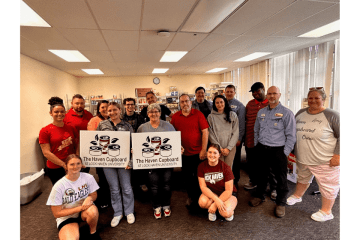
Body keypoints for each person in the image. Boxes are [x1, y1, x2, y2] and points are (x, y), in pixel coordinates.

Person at [286, 87, 340, 222]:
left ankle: (327, 212)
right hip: (303, 158)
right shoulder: (300, 113)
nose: (313, 100)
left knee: (328, 186)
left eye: (317, 98)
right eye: (310, 98)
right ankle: (297, 196)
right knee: (302, 178)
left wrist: (338, 155)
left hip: (324, 160)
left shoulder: (332, 115)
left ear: (323, 99)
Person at [249, 86, 296, 218]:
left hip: (278, 150)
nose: (271, 96)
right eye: (269, 93)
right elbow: (256, 130)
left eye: (274, 93)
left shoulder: (287, 113)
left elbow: (291, 135)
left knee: (281, 178)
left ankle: (281, 202)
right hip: (262, 148)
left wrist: (285, 153)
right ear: (266, 95)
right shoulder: (262, 112)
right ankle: (260, 195)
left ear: (279, 95)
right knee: (261, 175)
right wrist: (257, 144)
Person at [137, 103, 180, 219]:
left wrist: (178, 149)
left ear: (160, 113)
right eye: (151, 112)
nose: (154, 114)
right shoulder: (142, 128)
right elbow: (138, 144)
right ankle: (156, 206)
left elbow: (175, 142)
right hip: (150, 163)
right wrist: (135, 150)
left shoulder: (168, 126)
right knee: (154, 186)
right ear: (147, 114)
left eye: (156, 111)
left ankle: (166, 205)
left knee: (166, 185)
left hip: (166, 162)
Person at [96, 102, 135, 227]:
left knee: (127, 188)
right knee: (114, 189)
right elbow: (95, 141)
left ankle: (129, 211)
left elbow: (133, 144)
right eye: (109, 111)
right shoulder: (102, 125)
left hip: (124, 162)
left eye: (114, 110)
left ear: (120, 110)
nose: (112, 113)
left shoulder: (127, 126)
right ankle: (118, 213)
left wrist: (132, 160)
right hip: (108, 162)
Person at [46, 154, 101, 240]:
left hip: (85, 211)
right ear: (66, 166)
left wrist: (89, 198)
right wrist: (80, 208)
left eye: (78, 163)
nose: (75, 166)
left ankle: (93, 233)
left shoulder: (88, 177)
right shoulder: (59, 186)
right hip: (68, 217)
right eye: (72, 164)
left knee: (93, 211)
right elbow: (57, 213)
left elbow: (94, 194)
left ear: (81, 165)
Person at [170, 94, 209, 210]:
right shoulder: (176, 117)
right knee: (187, 178)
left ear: (191, 102)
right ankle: (191, 197)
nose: (185, 104)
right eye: (182, 102)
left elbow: (205, 132)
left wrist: (204, 149)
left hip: (198, 153)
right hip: (184, 154)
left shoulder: (198, 114)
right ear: (179, 104)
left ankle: (201, 197)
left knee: (200, 177)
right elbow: (171, 135)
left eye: (187, 101)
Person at [244, 82, 277, 200]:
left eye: (257, 91)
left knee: (270, 166)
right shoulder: (250, 104)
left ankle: (274, 188)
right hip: (250, 140)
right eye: (253, 92)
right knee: (252, 164)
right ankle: (253, 182)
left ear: (263, 90)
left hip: (266, 142)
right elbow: (245, 121)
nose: (255, 94)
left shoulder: (271, 104)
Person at [39, 97, 78, 185]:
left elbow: (77, 144)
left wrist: (76, 160)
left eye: (62, 111)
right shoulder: (45, 131)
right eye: (56, 112)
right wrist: (64, 165)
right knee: (60, 191)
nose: (59, 114)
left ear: (65, 112)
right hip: (55, 167)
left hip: (71, 164)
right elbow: (46, 153)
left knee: (73, 188)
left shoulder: (71, 127)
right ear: (51, 113)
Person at [198, 144, 238, 222]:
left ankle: (216, 209)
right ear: (207, 153)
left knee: (226, 213)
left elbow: (228, 191)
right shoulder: (201, 166)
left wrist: (215, 204)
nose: (212, 155)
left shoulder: (226, 167)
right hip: (213, 193)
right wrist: (216, 200)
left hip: (227, 194)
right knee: (202, 202)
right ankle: (214, 211)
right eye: (210, 152)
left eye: (215, 153)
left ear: (219, 155)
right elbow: (203, 187)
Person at [87, 100, 111, 209]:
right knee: (103, 178)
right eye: (103, 107)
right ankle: (104, 200)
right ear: (99, 109)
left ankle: (112, 198)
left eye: (107, 107)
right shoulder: (94, 120)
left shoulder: (113, 119)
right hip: (101, 155)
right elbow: (92, 138)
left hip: (112, 155)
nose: (105, 109)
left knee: (112, 178)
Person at [122, 98, 148, 192]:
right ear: (124, 105)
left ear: (134, 105)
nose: (130, 106)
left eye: (132, 104)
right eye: (128, 104)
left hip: (138, 144)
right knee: (128, 166)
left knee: (139, 165)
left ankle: (141, 184)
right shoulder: (121, 118)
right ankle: (130, 185)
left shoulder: (140, 117)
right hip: (125, 145)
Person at [64, 94, 94, 173]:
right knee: (74, 170)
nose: (79, 105)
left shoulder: (89, 115)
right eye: (77, 103)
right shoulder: (66, 116)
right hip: (72, 149)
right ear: (72, 103)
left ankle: (83, 184)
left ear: (84, 104)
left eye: (81, 103)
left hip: (87, 148)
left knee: (85, 168)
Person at [207, 95, 239, 168]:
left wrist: (228, 148)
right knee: (218, 169)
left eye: (221, 102)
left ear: (225, 102)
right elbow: (210, 134)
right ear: (214, 104)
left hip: (230, 147)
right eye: (217, 103)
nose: (219, 104)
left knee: (228, 169)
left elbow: (236, 132)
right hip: (216, 147)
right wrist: (219, 147)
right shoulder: (210, 117)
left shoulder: (232, 115)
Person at [224, 85, 245, 188]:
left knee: (235, 160)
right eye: (227, 91)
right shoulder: (221, 103)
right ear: (224, 92)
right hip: (223, 138)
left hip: (235, 138)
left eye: (231, 91)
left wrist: (239, 138)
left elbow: (241, 124)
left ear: (234, 92)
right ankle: (225, 180)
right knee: (224, 159)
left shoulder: (240, 106)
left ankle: (235, 181)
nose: (229, 93)